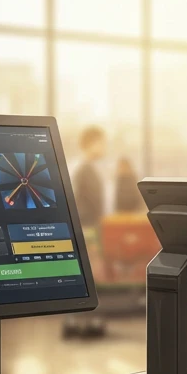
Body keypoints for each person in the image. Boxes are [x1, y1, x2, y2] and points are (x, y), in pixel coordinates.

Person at [68, 126, 108, 338]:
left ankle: (85, 322)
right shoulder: (84, 170)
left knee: (90, 279)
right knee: (89, 278)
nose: (104, 147)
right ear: (90, 143)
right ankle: (83, 323)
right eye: (101, 142)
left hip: (90, 228)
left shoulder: (89, 168)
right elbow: (81, 203)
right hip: (88, 229)